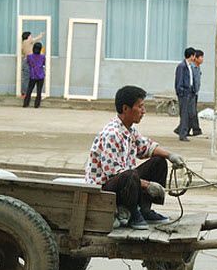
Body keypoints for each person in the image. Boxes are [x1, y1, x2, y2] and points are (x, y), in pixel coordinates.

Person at [85, 86, 186, 230]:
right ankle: (133, 212)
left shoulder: (129, 129)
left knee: (159, 162)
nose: (143, 111)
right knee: (130, 174)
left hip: (125, 181)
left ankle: (145, 210)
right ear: (126, 108)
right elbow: (114, 173)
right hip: (105, 189)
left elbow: (146, 147)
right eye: (140, 107)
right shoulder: (112, 134)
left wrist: (171, 156)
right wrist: (147, 185)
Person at [173, 47, 196, 141]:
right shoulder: (182, 66)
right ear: (191, 56)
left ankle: (181, 130)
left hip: (190, 92)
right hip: (184, 93)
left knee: (191, 113)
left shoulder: (190, 66)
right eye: (194, 55)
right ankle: (182, 134)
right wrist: (181, 92)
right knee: (184, 114)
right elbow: (179, 80)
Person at [20, 31, 44, 97]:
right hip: (28, 61)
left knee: (27, 77)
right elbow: (36, 39)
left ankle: (25, 93)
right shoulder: (27, 42)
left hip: (29, 61)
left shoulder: (24, 43)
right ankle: (24, 93)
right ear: (27, 37)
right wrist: (40, 35)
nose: (31, 37)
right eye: (30, 36)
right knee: (26, 78)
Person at [23, 42, 45, 108]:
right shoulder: (42, 57)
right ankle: (36, 105)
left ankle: (26, 103)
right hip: (40, 75)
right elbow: (43, 64)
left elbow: (28, 63)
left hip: (33, 75)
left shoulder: (29, 57)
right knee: (39, 91)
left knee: (29, 90)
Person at [190, 49, 204, 136]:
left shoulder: (198, 68)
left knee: (192, 112)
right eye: (201, 57)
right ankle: (196, 129)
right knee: (192, 112)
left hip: (195, 93)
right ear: (196, 58)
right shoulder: (191, 67)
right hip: (191, 93)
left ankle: (184, 129)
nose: (202, 59)